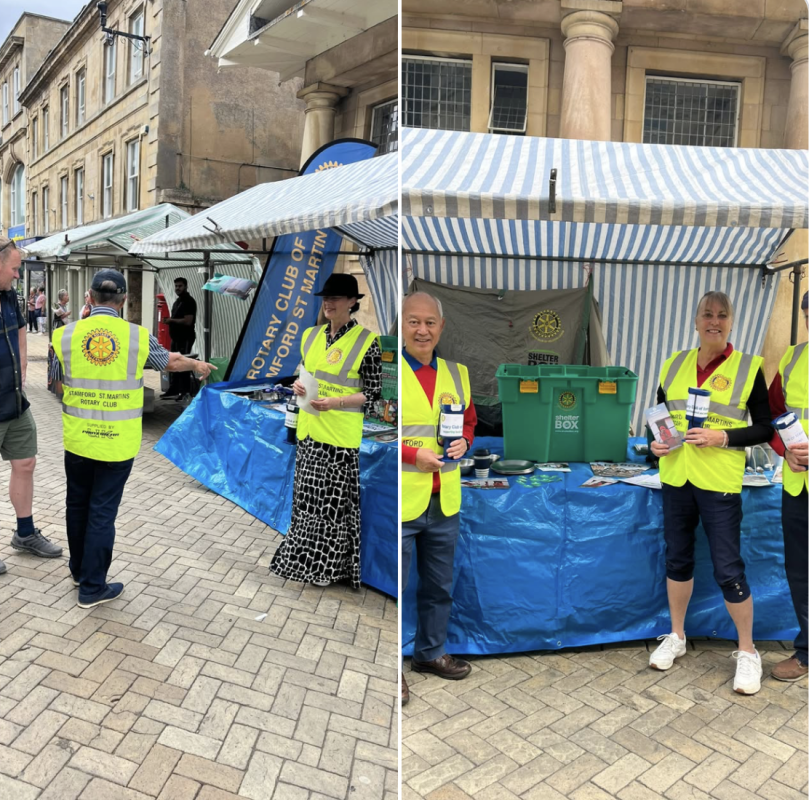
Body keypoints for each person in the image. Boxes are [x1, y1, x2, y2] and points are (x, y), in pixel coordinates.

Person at [51, 269, 218, 607]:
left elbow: (56, 383)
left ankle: (78, 571)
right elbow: (168, 363)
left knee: (77, 505)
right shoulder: (136, 337)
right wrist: (196, 365)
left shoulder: (65, 335)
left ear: (90, 297)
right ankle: (92, 587)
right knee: (101, 511)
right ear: (123, 300)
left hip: (78, 439)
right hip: (116, 441)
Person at [649, 291, 773, 695]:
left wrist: (722, 436)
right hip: (676, 476)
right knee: (677, 557)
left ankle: (748, 652)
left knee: (727, 568)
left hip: (719, 481)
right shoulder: (674, 363)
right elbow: (660, 418)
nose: (714, 321)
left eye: (722, 315)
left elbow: (766, 428)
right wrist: (657, 444)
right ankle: (677, 636)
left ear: (732, 322)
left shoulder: (749, 367)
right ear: (697, 320)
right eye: (707, 314)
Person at [270, 273, 381, 589]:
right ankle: (304, 560)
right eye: (325, 298)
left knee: (332, 510)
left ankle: (329, 569)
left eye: (335, 298)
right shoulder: (310, 335)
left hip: (338, 438)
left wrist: (336, 402)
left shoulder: (367, 342)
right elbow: (306, 375)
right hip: (309, 432)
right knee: (306, 503)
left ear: (352, 302)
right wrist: (298, 386)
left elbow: (373, 394)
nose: (328, 303)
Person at [400, 291, 477, 705]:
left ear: (441, 327)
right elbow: (373, 432)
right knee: (396, 588)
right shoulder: (390, 370)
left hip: (444, 499)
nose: (422, 330)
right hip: (403, 498)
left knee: (439, 586)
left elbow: (468, 420)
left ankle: (428, 653)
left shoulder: (457, 373)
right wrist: (413, 455)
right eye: (414, 322)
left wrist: (465, 441)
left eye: (430, 322)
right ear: (403, 325)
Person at [0, 238, 62, 577]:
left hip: (14, 400)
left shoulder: (10, 294)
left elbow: (22, 331)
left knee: (25, 462)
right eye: (14, 267)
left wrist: (23, 368)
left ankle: (25, 534)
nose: (18, 273)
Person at [767, 291, 808, 682]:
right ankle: (806, 653)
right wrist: (784, 451)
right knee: (800, 570)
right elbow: (774, 412)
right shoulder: (794, 357)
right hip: (797, 483)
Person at [163, 277, 198, 398]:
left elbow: (188, 321)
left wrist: (171, 320)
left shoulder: (189, 301)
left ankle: (185, 391)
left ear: (186, 287)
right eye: (176, 286)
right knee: (174, 363)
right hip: (176, 338)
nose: (177, 288)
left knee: (183, 364)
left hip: (185, 338)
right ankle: (174, 388)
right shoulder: (177, 302)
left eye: (180, 286)